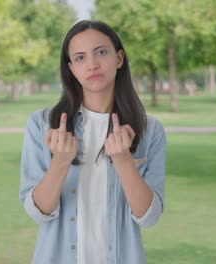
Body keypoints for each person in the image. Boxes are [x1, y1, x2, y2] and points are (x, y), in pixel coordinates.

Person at [19, 20, 166, 264]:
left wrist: (123, 160)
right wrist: (61, 162)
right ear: (71, 69)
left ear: (119, 58)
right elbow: (38, 212)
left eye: (101, 52)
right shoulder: (42, 124)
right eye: (80, 58)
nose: (92, 65)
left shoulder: (150, 131)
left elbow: (148, 217)